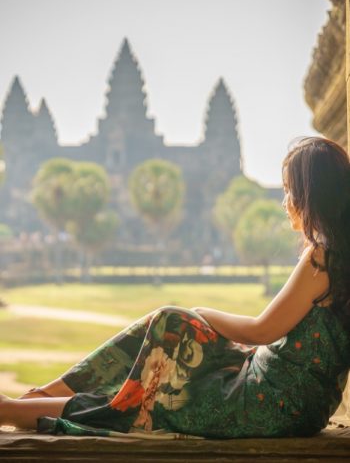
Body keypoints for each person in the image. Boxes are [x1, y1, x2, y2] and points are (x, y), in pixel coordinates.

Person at [1, 136, 350, 438]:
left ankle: (20, 408)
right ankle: (39, 398)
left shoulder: (322, 257)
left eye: (290, 191)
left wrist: (202, 314)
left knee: (151, 382)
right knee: (162, 348)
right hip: (288, 399)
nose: (285, 200)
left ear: (311, 196)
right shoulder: (335, 257)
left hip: (268, 403)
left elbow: (263, 330)